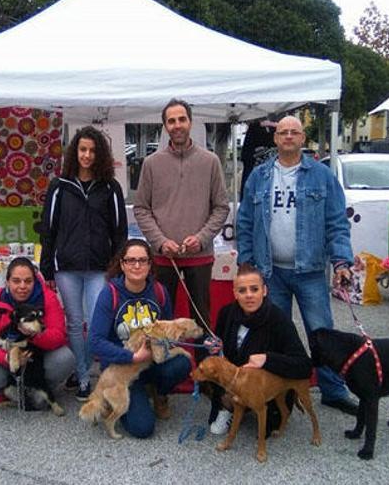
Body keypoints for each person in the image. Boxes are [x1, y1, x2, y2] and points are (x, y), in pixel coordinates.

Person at [236, 115, 358, 415]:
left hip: (311, 272)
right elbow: (245, 223)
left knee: (321, 333)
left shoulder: (322, 176)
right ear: (275, 139)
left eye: (294, 132)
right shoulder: (259, 176)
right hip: (269, 272)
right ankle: (280, 390)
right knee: (276, 336)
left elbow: (336, 222)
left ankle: (332, 390)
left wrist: (342, 260)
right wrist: (246, 263)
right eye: (283, 132)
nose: (288, 136)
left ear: (303, 139)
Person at [40, 125, 127, 401]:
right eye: (82, 149)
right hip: (67, 267)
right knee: (75, 323)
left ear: (99, 154)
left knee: (96, 323)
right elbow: (48, 228)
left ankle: (86, 369)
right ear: (74, 152)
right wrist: (47, 267)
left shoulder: (111, 187)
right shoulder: (59, 186)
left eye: (92, 150)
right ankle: (83, 377)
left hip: (100, 268)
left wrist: (117, 265)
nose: (87, 155)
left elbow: (119, 231)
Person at [133, 98, 229, 335]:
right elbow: (141, 208)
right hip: (164, 257)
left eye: (181, 119)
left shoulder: (210, 161)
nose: (177, 125)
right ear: (165, 126)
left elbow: (221, 207)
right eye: (171, 121)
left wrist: (202, 238)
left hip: (200, 256)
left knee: (202, 321)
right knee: (162, 321)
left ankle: (205, 371)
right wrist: (160, 241)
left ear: (190, 122)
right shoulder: (152, 164)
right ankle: (166, 369)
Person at [89, 238, 191, 439]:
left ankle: (158, 394)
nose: (137, 265)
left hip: (152, 362)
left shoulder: (159, 292)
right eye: (131, 260)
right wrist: (133, 357)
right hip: (122, 368)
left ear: (150, 264)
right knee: (143, 429)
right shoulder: (110, 294)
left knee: (182, 363)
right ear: (122, 264)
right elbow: (95, 342)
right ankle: (115, 397)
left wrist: (173, 340)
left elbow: (168, 331)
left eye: (143, 260)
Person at [202, 263, 313, 436]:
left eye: (254, 289)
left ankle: (255, 408)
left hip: (266, 387)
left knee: (270, 427)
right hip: (236, 383)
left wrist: (267, 359)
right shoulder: (227, 313)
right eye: (242, 290)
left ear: (265, 291)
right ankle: (227, 406)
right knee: (208, 367)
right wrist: (212, 347)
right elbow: (218, 345)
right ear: (235, 294)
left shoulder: (279, 320)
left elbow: (304, 366)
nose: (249, 296)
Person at [0, 257, 75, 409]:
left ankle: (40, 389)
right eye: (16, 281)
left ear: (35, 282)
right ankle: (3, 391)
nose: (22, 286)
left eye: (28, 281)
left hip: (37, 355)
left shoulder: (47, 298)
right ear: (7, 281)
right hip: (7, 353)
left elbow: (58, 335)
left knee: (65, 358)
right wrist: (7, 358)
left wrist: (34, 335)